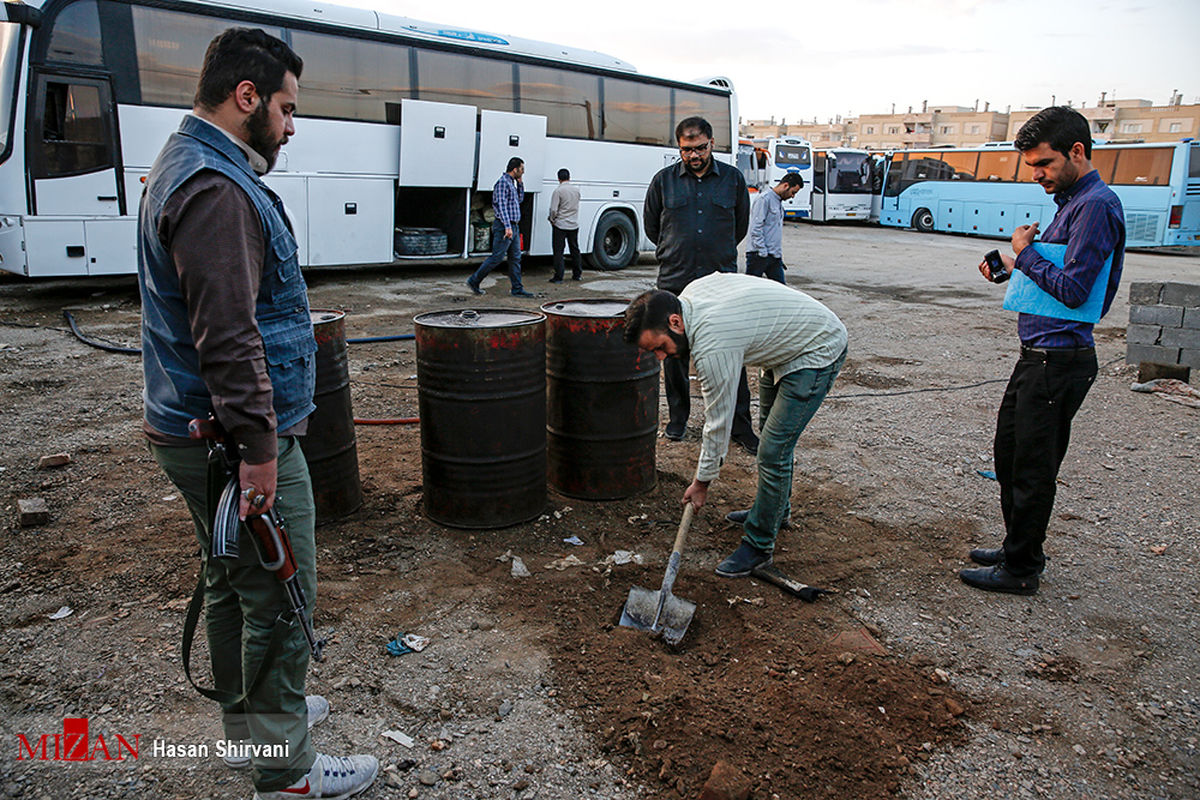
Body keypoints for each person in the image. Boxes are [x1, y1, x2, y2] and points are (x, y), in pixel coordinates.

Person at [137, 28, 377, 799]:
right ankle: (289, 769)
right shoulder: (215, 189)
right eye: (285, 107)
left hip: (199, 434)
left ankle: (252, 729)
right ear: (247, 99)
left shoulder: (186, 163)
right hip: (231, 439)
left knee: (233, 580)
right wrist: (260, 449)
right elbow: (229, 337)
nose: (292, 124)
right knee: (277, 587)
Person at [961, 106, 1125, 596]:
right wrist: (1015, 265)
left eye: (1045, 164)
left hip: (1059, 359)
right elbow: (1060, 277)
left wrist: (1025, 252)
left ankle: (1022, 568)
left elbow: (1075, 290)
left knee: (1032, 465)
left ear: (1077, 152)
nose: (1037, 175)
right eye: (1031, 166)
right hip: (1039, 353)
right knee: (1010, 456)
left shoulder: (1095, 205)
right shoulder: (1073, 203)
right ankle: (1019, 546)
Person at [623, 273, 847, 577]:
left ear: (675, 322)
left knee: (773, 451)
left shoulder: (712, 343)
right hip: (784, 346)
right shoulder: (690, 297)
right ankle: (775, 512)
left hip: (816, 349)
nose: (661, 357)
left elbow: (719, 422)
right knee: (772, 438)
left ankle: (759, 546)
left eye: (659, 347)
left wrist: (701, 484)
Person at [643, 116, 759, 454]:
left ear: (712, 143)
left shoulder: (733, 180)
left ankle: (740, 426)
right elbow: (653, 228)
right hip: (674, 283)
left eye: (700, 148)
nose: (694, 155)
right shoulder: (663, 182)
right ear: (679, 148)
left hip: (719, 284)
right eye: (686, 150)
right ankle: (678, 421)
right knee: (674, 354)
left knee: (730, 354)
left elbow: (739, 227)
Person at [468, 157, 533, 297]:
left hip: (513, 226)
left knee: (515, 258)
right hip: (505, 226)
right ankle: (474, 280)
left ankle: (517, 288)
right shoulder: (503, 183)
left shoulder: (512, 183)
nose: (523, 172)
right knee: (497, 257)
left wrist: (520, 184)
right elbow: (501, 206)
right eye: (522, 169)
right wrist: (507, 227)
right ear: (515, 169)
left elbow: (519, 200)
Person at [746, 173, 805, 284]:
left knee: (782, 291)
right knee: (751, 290)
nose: (793, 196)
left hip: (774, 257)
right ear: (785, 186)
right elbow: (755, 228)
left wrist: (777, 255)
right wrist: (762, 252)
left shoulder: (778, 203)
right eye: (793, 192)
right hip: (758, 255)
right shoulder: (764, 199)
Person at [548, 167, 583, 282]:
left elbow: (554, 209)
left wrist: (552, 219)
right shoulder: (576, 190)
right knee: (575, 250)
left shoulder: (558, 191)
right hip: (573, 224)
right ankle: (577, 274)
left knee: (559, 251)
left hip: (561, 225)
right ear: (569, 177)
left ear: (558, 178)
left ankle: (559, 276)